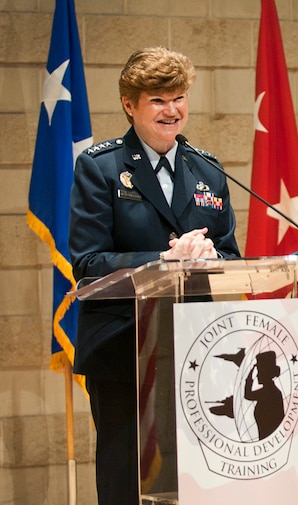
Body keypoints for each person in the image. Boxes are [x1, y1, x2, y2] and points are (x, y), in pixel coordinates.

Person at [68, 46, 241, 505]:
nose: (173, 110)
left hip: (195, 347)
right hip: (122, 347)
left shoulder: (207, 168)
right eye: (158, 100)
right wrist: (164, 260)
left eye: (179, 97)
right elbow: (86, 263)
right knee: (127, 476)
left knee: (194, 477)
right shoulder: (100, 167)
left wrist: (208, 255)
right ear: (130, 105)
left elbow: (230, 253)